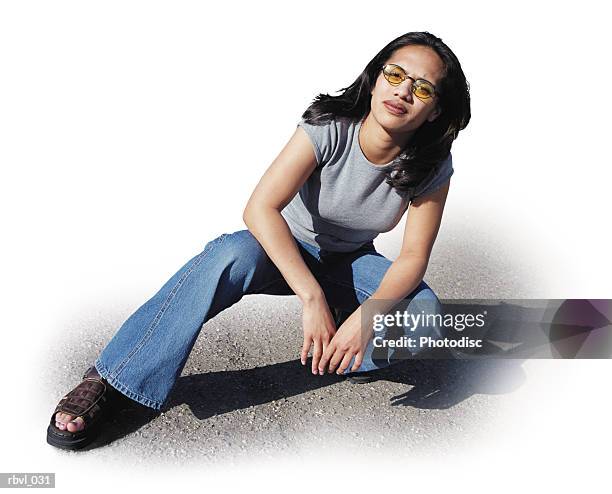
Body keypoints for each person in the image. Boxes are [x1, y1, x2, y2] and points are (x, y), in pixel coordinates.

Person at [47, 31, 471, 450]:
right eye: (396, 75)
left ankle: (341, 354)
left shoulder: (432, 164)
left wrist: (366, 320)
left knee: (423, 316)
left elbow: (413, 256)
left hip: (348, 260)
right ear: (376, 78)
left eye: (423, 88)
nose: (403, 92)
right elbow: (260, 209)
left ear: (435, 111)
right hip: (281, 248)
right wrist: (311, 297)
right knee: (229, 253)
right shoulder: (330, 127)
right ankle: (115, 377)